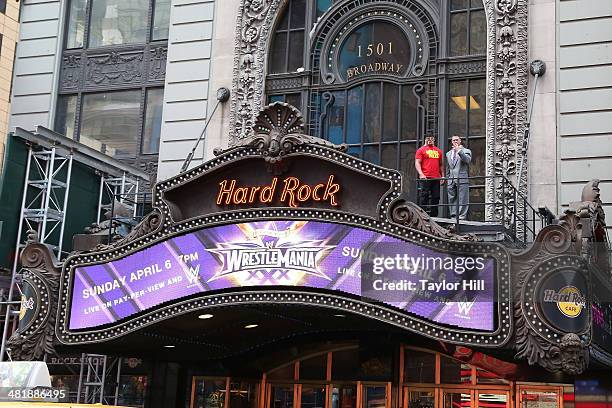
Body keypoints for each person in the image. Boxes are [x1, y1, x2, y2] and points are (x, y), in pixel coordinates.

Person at [415, 135, 444, 217]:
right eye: (428, 138)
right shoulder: (421, 150)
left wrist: (442, 176)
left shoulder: (438, 151)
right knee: (424, 196)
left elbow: (441, 165)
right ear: (425, 139)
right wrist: (421, 174)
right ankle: (423, 216)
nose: (430, 140)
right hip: (425, 177)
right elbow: (417, 162)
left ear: (434, 140)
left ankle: (434, 216)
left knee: (436, 197)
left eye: (431, 138)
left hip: (436, 177)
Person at [446, 135, 472, 220]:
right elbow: (448, 167)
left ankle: (461, 217)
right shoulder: (448, 153)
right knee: (452, 198)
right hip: (451, 179)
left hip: (462, 178)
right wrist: (447, 178)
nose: (455, 141)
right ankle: (453, 216)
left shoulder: (466, 151)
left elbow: (467, 160)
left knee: (463, 198)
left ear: (460, 141)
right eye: (453, 140)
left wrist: (459, 151)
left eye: (457, 140)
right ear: (452, 142)